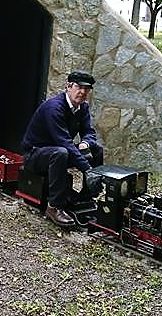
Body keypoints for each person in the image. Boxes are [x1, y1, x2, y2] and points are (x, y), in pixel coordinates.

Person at [21, 70, 104, 227]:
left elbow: (89, 132)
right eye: (79, 87)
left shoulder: (82, 108)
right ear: (68, 86)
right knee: (61, 153)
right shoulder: (54, 108)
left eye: (87, 89)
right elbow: (64, 142)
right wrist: (88, 170)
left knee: (96, 150)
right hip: (35, 154)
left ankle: (86, 197)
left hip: (58, 151)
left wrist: (86, 142)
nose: (83, 92)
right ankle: (54, 206)